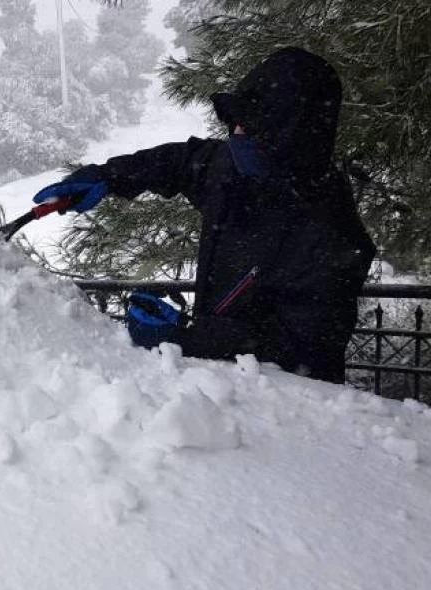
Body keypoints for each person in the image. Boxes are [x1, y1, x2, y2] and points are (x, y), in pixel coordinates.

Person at [34, 47, 375, 384]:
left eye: (253, 127)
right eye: (238, 122)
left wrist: (186, 336)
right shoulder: (233, 172)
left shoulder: (333, 233)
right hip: (216, 387)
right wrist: (107, 176)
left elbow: (302, 348)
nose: (237, 135)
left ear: (293, 139)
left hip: (288, 411)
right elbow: (177, 162)